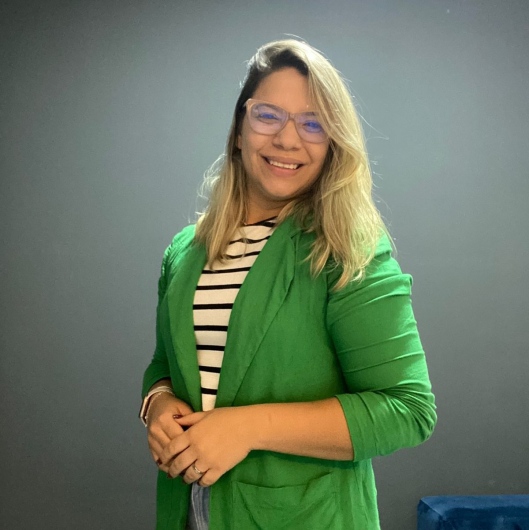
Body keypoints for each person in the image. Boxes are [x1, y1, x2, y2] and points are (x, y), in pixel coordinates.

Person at [140, 39, 436, 530]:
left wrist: (248, 428)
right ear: (239, 129)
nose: (287, 139)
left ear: (332, 143)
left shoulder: (347, 249)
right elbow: (163, 367)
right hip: (187, 511)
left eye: (313, 123)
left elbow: (407, 409)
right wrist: (157, 405)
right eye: (268, 115)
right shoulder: (185, 251)